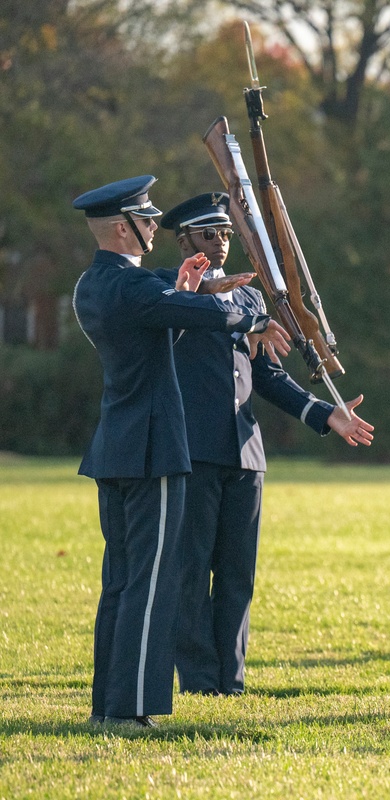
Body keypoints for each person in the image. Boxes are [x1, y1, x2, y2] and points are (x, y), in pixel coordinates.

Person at [71, 175, 290, 728]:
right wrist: (255, 314)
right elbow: (206, 318)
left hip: (116, 449)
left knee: (120, 584)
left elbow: (161, 327)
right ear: (124, 227)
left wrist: (192, 291)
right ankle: (132, 709)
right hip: (152, 452)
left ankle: (108, 704)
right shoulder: (134, 285)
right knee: (150, 584)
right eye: (146, 220)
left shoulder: (94, 285)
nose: (152, 227)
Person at [157, 193, 374, 697]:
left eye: (226, 233)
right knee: (192, 571)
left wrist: (326, 415)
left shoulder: (250, 300)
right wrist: (200, 294)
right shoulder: (170, 293)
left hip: (244, 453)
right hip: (193, 449)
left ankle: (229, 681)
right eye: (208, 233)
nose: (220, 241)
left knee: (237, 573)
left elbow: (268, 378)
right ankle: (197, 679)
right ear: (184, 239)